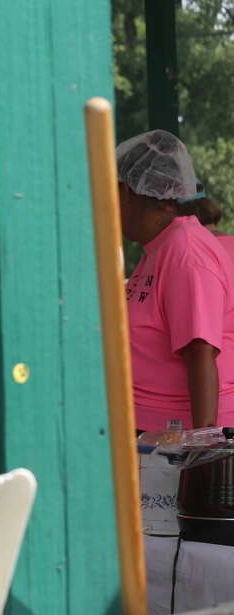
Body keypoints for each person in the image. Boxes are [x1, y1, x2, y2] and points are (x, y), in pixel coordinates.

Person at [116, 129, 234, 431]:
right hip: (150, 432)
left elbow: (200, 350)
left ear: (129, 193)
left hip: (174, 441)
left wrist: (203, 449)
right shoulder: (159, 246)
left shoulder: (185, 252)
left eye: (114, 196)